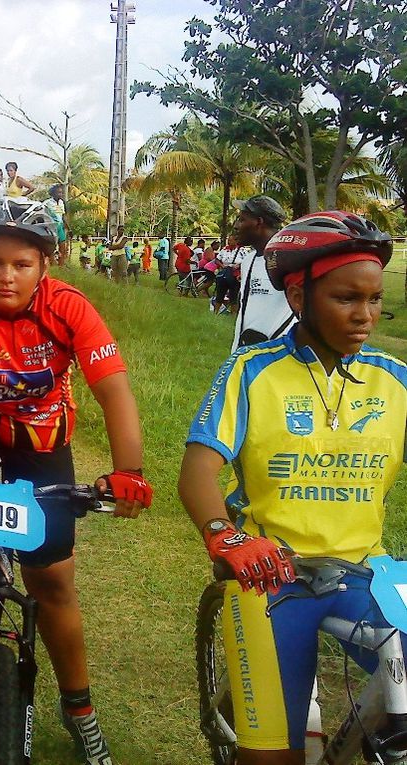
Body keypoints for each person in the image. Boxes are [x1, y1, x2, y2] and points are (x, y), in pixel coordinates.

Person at [0, 198, 153, 765]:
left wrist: (129, 471)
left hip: (43, 439)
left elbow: (112, 387)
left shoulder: (69, 307)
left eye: (22, 264)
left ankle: (81, 712)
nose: (6, 276)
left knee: (53, 582)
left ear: (46, 264)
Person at [178, 211, 403, 765]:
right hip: (272, 575)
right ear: (299, 296)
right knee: (273, 758)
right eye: (348, 298)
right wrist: (225, 537)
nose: (365, 317)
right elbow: (198, 472)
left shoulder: (394, 378)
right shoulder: (251, 371)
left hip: (368, 573)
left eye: (375, 301)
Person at [232, 195, 293, 350]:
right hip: (245, 356)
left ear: (258, 222)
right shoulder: (248, 261)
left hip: (279, 359)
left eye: (241, 219)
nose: (236, 226)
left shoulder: (290, 261)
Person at [213, 234, 245, 315]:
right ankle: (216, 312)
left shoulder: (241, 250)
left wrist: (239, 265)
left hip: (235, 275)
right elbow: (217, 259)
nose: (229, 242)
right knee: (220, 293)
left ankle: (233, 313)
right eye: (228, 240)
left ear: (236, 241)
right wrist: (222, 266)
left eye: (231, 240)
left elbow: (247, 261)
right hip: (225, 272)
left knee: (234, 294)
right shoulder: (224, 249)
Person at [43, 184, 68, 266]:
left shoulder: (62, 203)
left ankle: (61, 266)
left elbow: (63, 216)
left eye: (61, 192)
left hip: (60, 226)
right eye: (58, 192)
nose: (60, 194)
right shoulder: (47, 203)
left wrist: (68, 227)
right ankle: (52, 265)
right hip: (51, 226)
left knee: (63, 247)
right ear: (53, 193)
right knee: (52, 247)